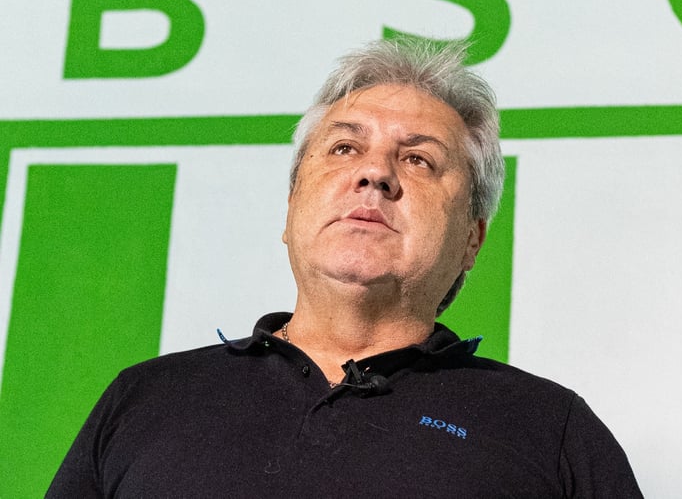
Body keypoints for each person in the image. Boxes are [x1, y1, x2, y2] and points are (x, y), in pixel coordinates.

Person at [48, 39, 643, 497]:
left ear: (472, 239)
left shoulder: (550, 430)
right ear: (291, 207)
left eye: (418, 159)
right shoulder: (147, 399)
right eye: (344, 148)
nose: (374, 173)